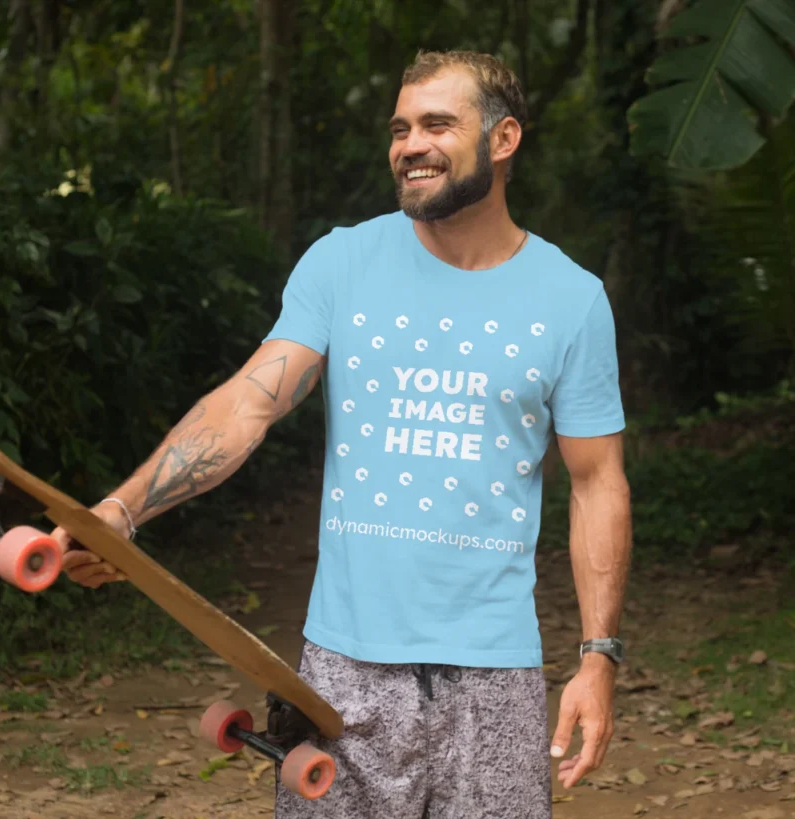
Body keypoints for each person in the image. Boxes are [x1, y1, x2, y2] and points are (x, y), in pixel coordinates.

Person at [53, 49, 632, 819]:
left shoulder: (572, 299)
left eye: (436, 124)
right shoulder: (343, 263)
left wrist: (599, 658)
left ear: (504, 140)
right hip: (344, 673)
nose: (409, 144)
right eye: (399, 127)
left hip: (495, 678)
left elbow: (598, 482)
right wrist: (122, 512)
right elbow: (246, 406)